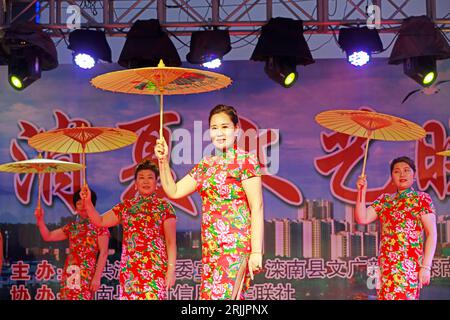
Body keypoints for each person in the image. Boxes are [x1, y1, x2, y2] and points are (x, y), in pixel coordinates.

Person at [155, 104, 264, 300]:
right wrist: (163, 161)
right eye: (214, 128)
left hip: (234, 245)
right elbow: (174, 190)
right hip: (211, 247)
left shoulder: (246, 161)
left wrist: (256, 251)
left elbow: (257, 207)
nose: (219, 133)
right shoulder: (206, 165)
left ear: (236, 129)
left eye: (225, 127)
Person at [81, 160, 177, 300]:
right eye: (141, 177)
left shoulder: (164, 207)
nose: (146, 181)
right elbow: (99, 221)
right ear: (136, 184)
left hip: (155, 271)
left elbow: (170, 242)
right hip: (130, 273)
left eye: (150, 177)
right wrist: (88, 202)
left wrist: (171, 269)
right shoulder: (126, 207)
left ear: (157, 184)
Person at [355, 156, 437, 300]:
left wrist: (426, 266)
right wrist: (361, 191)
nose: (402, 174)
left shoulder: (421, 199)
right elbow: (362, 218)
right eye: (397, 171)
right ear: (392, 178)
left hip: (409, 266)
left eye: (406, 170)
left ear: (414, 175)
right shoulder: (385, 200)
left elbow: (432, 234)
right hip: (386, 266)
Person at [35, 189, 110, 300]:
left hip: (87, 274)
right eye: (78, 203)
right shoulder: (72, 227)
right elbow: (48, 236)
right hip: (71, 273)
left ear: (92, 204)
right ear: (75, 207)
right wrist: (40, 220)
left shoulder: (100, 226)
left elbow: (104, 252)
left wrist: (97, 278)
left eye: (85, 202)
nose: (82, 206)